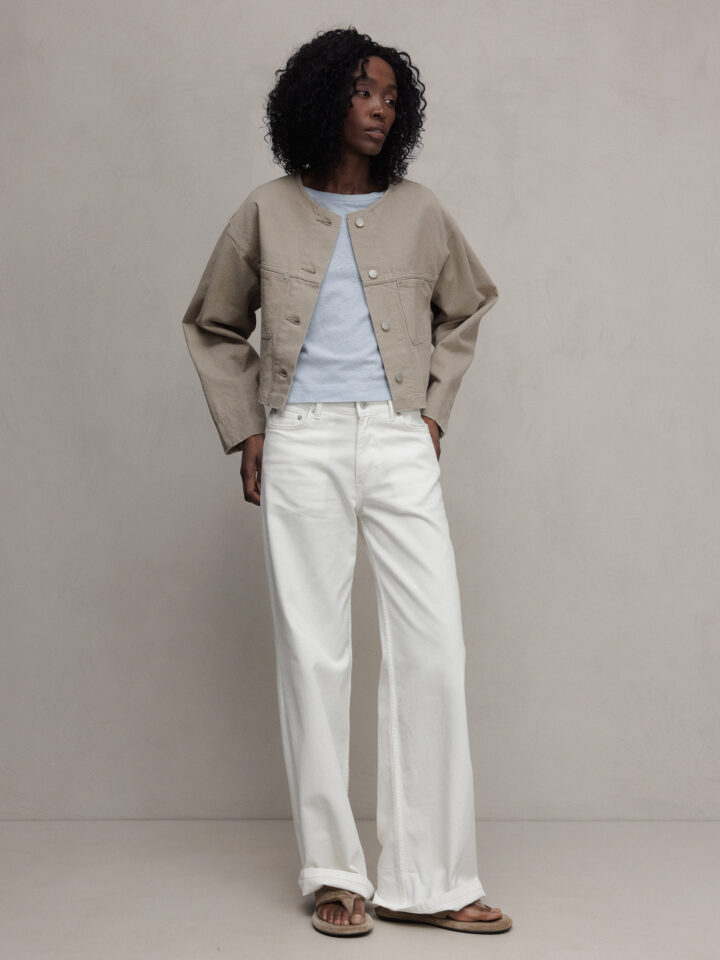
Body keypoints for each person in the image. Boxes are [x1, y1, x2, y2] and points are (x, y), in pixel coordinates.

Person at [182, 26, 512, 937]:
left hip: (399, 438)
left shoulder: (421, 212)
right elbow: (213, 324)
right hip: (302, 440)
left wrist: (433, 411)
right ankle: (335, 873)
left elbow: (468, 306)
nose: (380, 110)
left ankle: (432, 879)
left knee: (431, 649)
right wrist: (249, 428)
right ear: (322, 98)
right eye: (364, 92)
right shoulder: (265, 210)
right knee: (314, 652)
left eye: (392, 98)